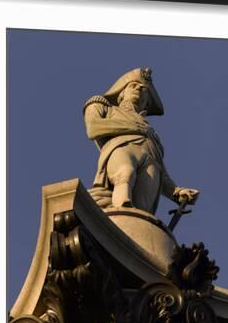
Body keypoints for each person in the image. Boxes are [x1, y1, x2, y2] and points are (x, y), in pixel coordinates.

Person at [83, 67, 199, 215]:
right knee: (125, 172)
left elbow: (162, 172)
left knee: (143, 209)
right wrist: (135, 127)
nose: (139, 89)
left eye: (144, 89)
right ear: (121, 93)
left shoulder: (151, 133)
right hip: (121, 147)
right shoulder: (105, 108)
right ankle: (121, 208)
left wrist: (176, 192)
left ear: (147, 104)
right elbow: (93, 128)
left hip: (151, 162)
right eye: (133, 85)